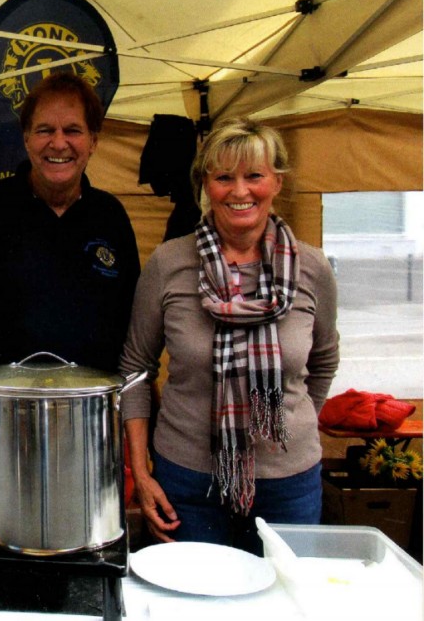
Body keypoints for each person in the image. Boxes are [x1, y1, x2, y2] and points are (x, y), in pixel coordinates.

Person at [119, 117, 339, 556]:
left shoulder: (312, 268)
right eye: (224, 177)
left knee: (283, 592)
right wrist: (141, 473)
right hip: (188, 480)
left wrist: (290, 426)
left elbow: (325, 361)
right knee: (195, 592)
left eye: (254, 175)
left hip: (289, 484)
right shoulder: (170, 263)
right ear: (205, 184)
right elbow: (135, 370)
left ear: (277, 181)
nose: (240, 191)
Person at [0, 70, 140, 375]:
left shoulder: (111, 215)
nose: (58, 143)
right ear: (26, 139)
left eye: (72, 130)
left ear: (93, 141)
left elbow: (135, 324)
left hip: (94, 402)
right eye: (45, 130)